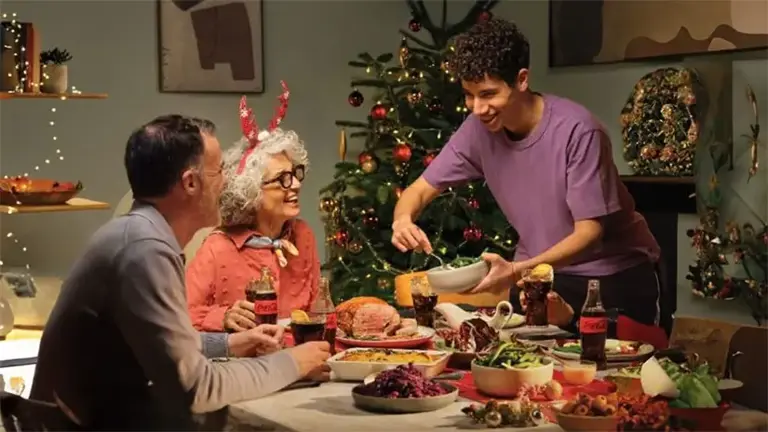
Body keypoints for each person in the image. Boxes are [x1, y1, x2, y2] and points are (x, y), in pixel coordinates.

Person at [30, 114, 331, 430]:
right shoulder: (144, 249)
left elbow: (159, 344)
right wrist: (291, 363)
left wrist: (230, 344)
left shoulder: (136, 234)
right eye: (219, 172)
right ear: (190, 182)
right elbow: (197, 388)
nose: (228, 182)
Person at [391, 18, 663, 336]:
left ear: (521, 80)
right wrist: (403, 220)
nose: (478, 108)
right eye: (469, 95)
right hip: (534, 277)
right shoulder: (477, 130)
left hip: (608, 280)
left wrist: (517, 270)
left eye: (489, 94)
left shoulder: (579, 131)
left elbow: (590, 232)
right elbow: (420, 189)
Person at [186, 82, 321, 332]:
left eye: (295, 173)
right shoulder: (218, 248)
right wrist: (223, 317)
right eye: (282, 179)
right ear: (252, 192)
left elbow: (315, 312)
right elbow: (182, 315)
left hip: (299, 360)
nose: (295, 185)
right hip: (242, 365)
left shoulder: (303, 236)